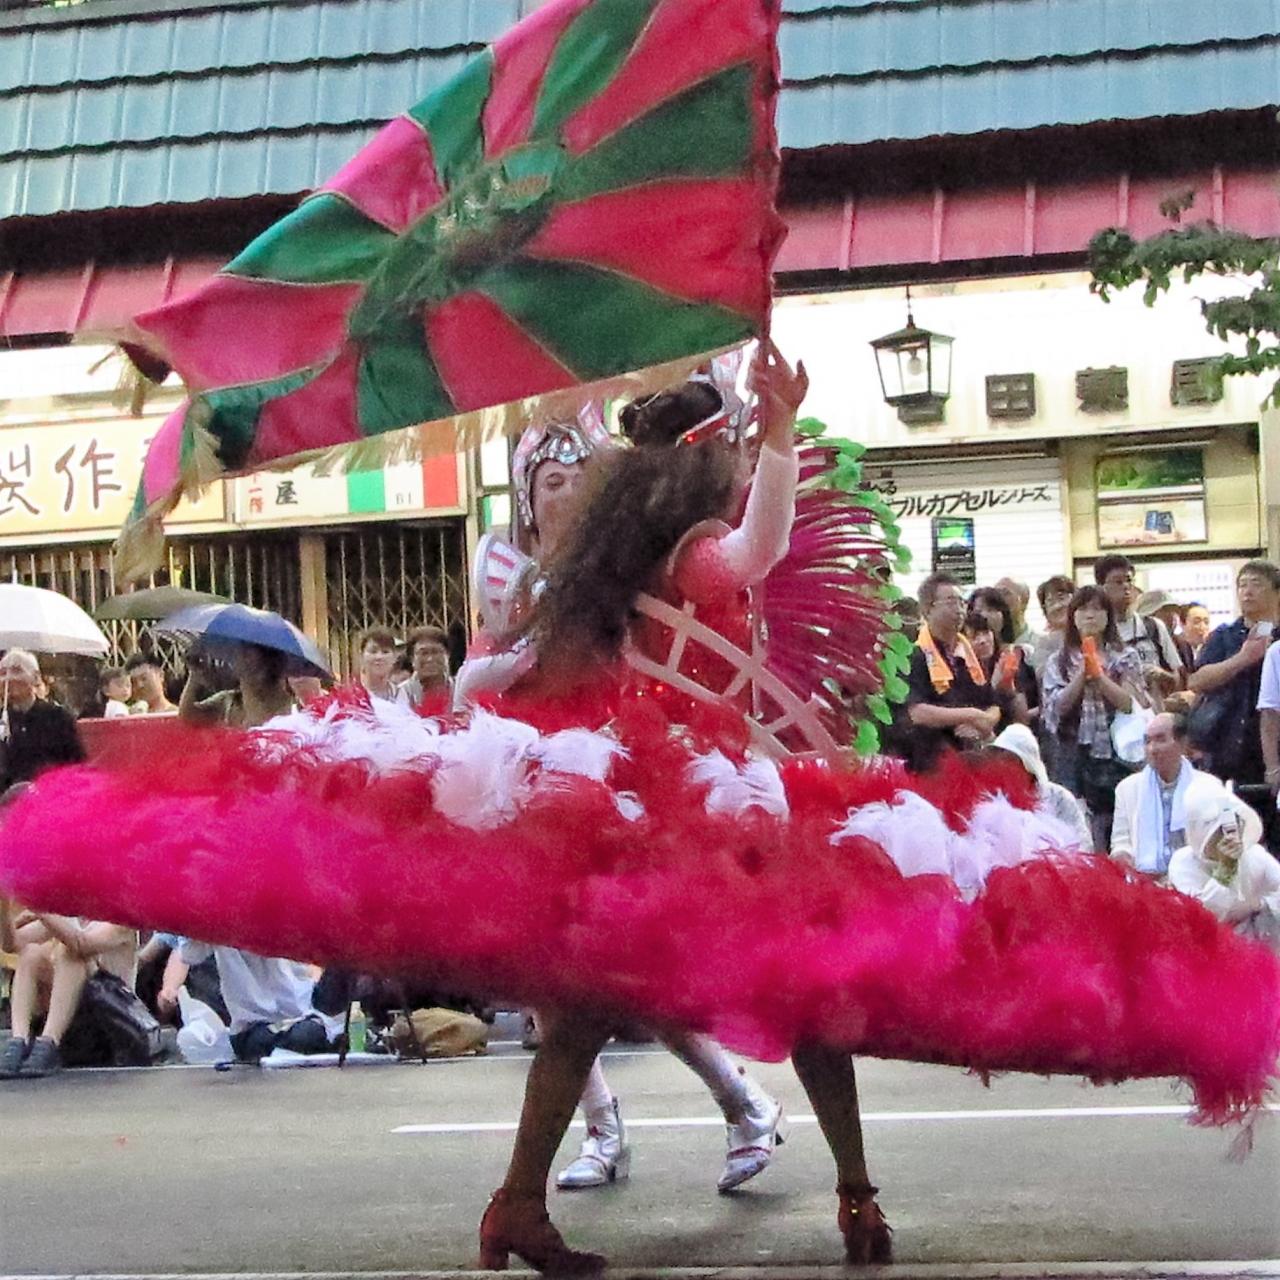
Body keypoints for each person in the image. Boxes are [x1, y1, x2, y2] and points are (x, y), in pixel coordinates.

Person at [461, 395, 786, 1200]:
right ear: (527, 500)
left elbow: (748, 555)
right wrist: (503, 668)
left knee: (637, 971)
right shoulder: (513, 584)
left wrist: (777, 444)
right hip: (529, 790)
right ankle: (606, 1129)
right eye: (553, 482)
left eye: (583, 478)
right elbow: (472, 681)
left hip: (622, 786)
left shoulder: (632, 568)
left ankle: (741, 1100)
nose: (569, 495)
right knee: (547, 978)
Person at [1040, 586, 1146, 845]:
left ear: (1108, 616)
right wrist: (1082, 672)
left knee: (1119, 825)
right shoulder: (1059, 661)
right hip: (1072, 751)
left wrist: (1099, 676)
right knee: (1079, 827)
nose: (1090, 615)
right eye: (1083, 609)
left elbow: (1130, 703)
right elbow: (1056, 708)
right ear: (1073, 616)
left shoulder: (1125, 656)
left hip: (1116, 753)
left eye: (1098, 609)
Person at [0, 896, 136, 1078]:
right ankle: (19, 1039)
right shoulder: (68, 916)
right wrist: (4, 906)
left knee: (69, 955)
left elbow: (81, 945)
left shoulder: (121, 918)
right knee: (31, 954)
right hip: (73, 1026)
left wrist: (38, 909)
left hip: (108, 1025)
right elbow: (12, 945)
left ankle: (50, 1040)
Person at [890, 572, 1000, 771]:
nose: (959, 610)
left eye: (961, 602)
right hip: (928, 759)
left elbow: (992, 704)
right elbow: (917, 712)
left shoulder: (967, 653)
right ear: (927, 610)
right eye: (951, 602)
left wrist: (984, 722)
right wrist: (970, 715)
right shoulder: (914, 654)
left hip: (969, 755)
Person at [174, 938, 336, 1062]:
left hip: (303, 1015)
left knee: (320, 1031)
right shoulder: (222, 921)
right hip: (252, 1028)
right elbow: (189, 954)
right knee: (307, 1035)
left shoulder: (287, 919)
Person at [1169, 776, 1280, 947]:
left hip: (1257, 949)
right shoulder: (1183, 864)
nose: (1229, 838)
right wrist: (1226, 869)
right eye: (1219, 831)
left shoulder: (1254, 855)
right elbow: (1206, 914)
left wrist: (1259, 905)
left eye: (1234, 828)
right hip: (1206, 951)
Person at [1110, 712, 1201, 879]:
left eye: (1160, 739)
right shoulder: (1127, 788)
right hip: (1143, 880)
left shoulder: (1206, 786)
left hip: (1192, 879)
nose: (1152, 749)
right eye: (1147, 741)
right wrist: (1123, 856)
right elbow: (1121, 841)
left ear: (1182, 743)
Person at [991, 723, 1092, 851]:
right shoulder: (992, 800)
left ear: (1027, 765)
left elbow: (1082, 843)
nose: (1003, 767)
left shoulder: (1059, 797)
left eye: (1010, 761)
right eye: (1000, 760)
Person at [1094, 554, 1181, 698]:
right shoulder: (1099, 631)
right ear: (1102, 587)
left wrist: (1161, 674)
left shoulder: (1154, 627)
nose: (1126, 586)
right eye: (1118, 582)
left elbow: (1177, 679)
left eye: (1129, 580)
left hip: (1154, 707)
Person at [0, 649, 85, 796]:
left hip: (50, 796)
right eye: (3, 673)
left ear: (35, 678)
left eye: (17, 671)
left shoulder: (57, 717)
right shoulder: (3, 719)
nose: (9, 678)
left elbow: (74, 762)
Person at [180, 643, 295, 729]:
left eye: (247, 652)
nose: (240, 657)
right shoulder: (228, 701)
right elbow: (189, 716)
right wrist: (195, 674)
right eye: (240, 652)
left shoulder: (283, 700)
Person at [968, 586, 1037, 726]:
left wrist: (1008, 690)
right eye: (979, 610)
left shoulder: (1018, 654)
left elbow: (1025, 710)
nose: (986, 615)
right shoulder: (962, 662)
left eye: (992, 609)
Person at [1136, 590, 1194, 675]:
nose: (1172, 616)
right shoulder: (1138, 643)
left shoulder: (1182, 644)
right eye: (1166, 611)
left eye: (1174, 611)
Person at [397, 626, 453, 713]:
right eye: (423, 653)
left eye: (435, 652)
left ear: (447, 655)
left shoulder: (459, 690)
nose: (430, 659)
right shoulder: (401, 693)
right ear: (412, 658)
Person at [1030, 575, 1074, 676]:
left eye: (1061, 598)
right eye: (1050, 602)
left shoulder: (1088, 633)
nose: (1057, 606)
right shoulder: (1044, 643)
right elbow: (1043, 675)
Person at [994, 576, 1038, 653]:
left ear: (1024, 599)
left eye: (1005, 593)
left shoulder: (1041, 643)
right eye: (996, 594)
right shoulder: (988, 648)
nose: (999, 599)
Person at [356, 627, 399, 702]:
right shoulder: (352, 696)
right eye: (373, 651)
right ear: (361, 656)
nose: (379, 657)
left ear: (395, 657)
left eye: (385, 652)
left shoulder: (402, 696)